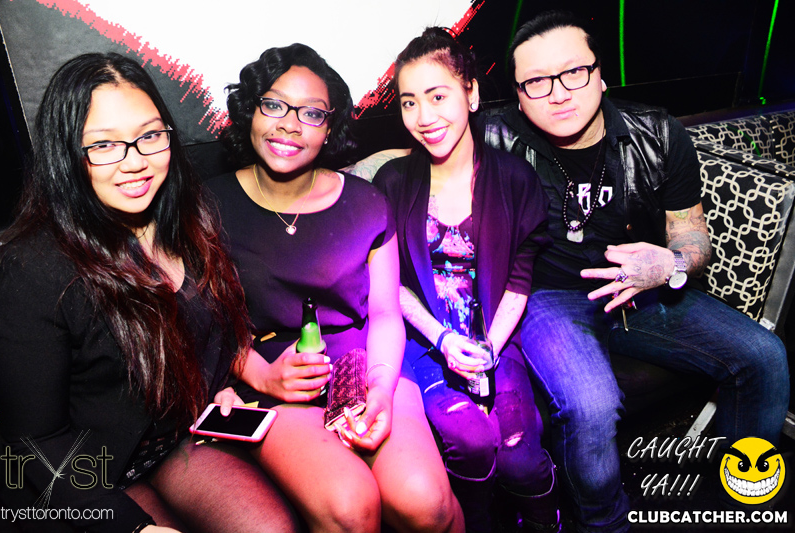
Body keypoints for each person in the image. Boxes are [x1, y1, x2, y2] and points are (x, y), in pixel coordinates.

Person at [481, 10, 790, 532]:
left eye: (573, 72)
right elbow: (414, 148)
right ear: (518, 95)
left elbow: (693, 238)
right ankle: (603, 523)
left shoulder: (658, 135)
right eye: (536, 82)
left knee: (764, 356)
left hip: (641, 291)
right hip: (548, 296)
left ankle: (739, 504)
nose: (557, 93)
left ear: (600, 74)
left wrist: (670, 263)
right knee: (592, 405)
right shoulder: (494, 138)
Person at [0, 53, 299, 533]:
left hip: (172, 441)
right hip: (86, 470)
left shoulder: (187, 219)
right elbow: (34, 440)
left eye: (150, 136)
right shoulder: (33, 268)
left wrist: (213, 383)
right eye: (104, 144)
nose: (136, 161)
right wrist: (134, 529)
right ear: (66, 152)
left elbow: (201, 331)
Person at [207, 43, 463, 533]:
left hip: (368, 362)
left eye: (311, 113)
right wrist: (261, 376)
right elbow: (200, 323)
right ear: (250, 111)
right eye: (274, 105)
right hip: (271, 375)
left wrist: (382, 390)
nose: (289, 124)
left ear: (329, 129)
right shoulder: (205, 206)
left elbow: (385, 313)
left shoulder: (367, 202)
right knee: (350, 507)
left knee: (425, 503)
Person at [372, 28, 558, 533]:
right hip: (426, 342)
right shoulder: (392, 182)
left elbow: (520, 276)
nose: (424, 117)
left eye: (438, 96)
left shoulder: (515, 179)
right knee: (471, 442)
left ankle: (549, 521)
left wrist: (490, 347)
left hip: (496, 336)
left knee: (521, 457)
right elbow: (390, 285)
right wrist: (443, 339)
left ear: (471, 94)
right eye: (409, 102)